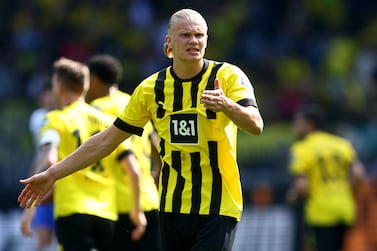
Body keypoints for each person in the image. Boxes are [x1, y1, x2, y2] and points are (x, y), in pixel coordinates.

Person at [18, 8, 264, 251]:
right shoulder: (151, 89)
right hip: (170, 206)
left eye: (199, 35)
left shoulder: (228, 76)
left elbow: (255, 124)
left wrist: (227, 105)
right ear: (168, 42)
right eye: (186, 35)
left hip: (217, 205)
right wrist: (52, 175)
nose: (194, 41)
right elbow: (106, 141)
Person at [25, 57, 124, 251]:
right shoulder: (107, 121)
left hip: (73, 207)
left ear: (59, 87)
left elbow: (48, 157)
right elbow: (127, 163)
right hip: (107, 211)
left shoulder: (55, 118)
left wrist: (31, 205)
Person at [86, 53, 162, 251]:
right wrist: (157, 172)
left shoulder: (96, 110)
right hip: (150, 198)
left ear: (93, 80)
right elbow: (156, 146)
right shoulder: (134, 102)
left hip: (117, 204)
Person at [286, 103, 365, 251]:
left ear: (309, 124)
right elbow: (358, 174)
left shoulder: (302, 148)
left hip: (320, 213)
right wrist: (344, 190)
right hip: (345, 209)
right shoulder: (342, 144)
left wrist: (293, 195)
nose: (294, 126)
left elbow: (302, 186)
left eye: (297, 121)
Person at [20, 81, 58, 251]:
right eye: (47, 94)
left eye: (53, 94)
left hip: (65, 181)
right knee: (42, 239)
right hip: (45, 180)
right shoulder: (38, 118)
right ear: (41, 97)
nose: (50, 98)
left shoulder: (67, 116)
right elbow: (41, 154)